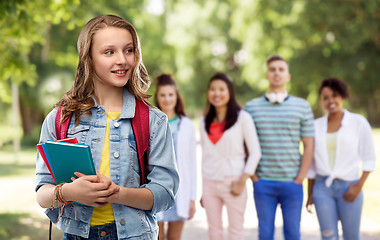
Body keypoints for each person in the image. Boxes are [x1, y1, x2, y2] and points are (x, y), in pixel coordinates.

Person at [35, 14, 179, 240]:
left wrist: (117, 193)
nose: (122, 60)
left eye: (129, 50)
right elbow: (42, 193)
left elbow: (165, 194)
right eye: (109, 52)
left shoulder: (153, 121)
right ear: (88, 58)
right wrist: (68, 192)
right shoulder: (60, 118)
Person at [245, 55, 315, 240]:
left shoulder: (302, 106)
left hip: (292, 183)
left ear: (288, 76)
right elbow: (245, 145)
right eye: (272, 69)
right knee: (265, 234)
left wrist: (300, 178)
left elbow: (309, 145)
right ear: (267, 75)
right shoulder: (251, 108)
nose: (277, 73)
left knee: (293, 234)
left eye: (281, 69)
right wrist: (254, 177)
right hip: (263, 183)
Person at [305, 78, 376, 240]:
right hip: (322, 188)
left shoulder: (358, 122)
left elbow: (369, 157)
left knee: (351, 236)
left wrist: (358, 187)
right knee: (328, 236)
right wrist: (310, 194)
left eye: (334, 96)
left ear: (342, 96)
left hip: (349, 186)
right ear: (321, 101)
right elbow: (312, 164)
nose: (330, 101)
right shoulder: (315, 126)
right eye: (325, 97)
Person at [200, 72, 261, 240]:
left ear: (230, 92)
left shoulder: (243, 118)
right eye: (212, 89)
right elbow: (206, 156)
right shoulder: (204, 121)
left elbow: (255, 152)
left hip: (234, 181)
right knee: (214, 232)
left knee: (235, 233)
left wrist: (242, 182)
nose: (216, 93)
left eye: (221, 89)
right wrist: (203, 191)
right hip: (209, 184)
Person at [153, 74, 197, 240]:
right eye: (163, 95)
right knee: (157, 237)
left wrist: (192, 198)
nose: (167, 99)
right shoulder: (153, 122)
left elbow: (192, 164)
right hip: (158, 190)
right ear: (157, 97)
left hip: (181, 192)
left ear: (177, 97)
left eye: (171, 95)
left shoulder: (187, 125)